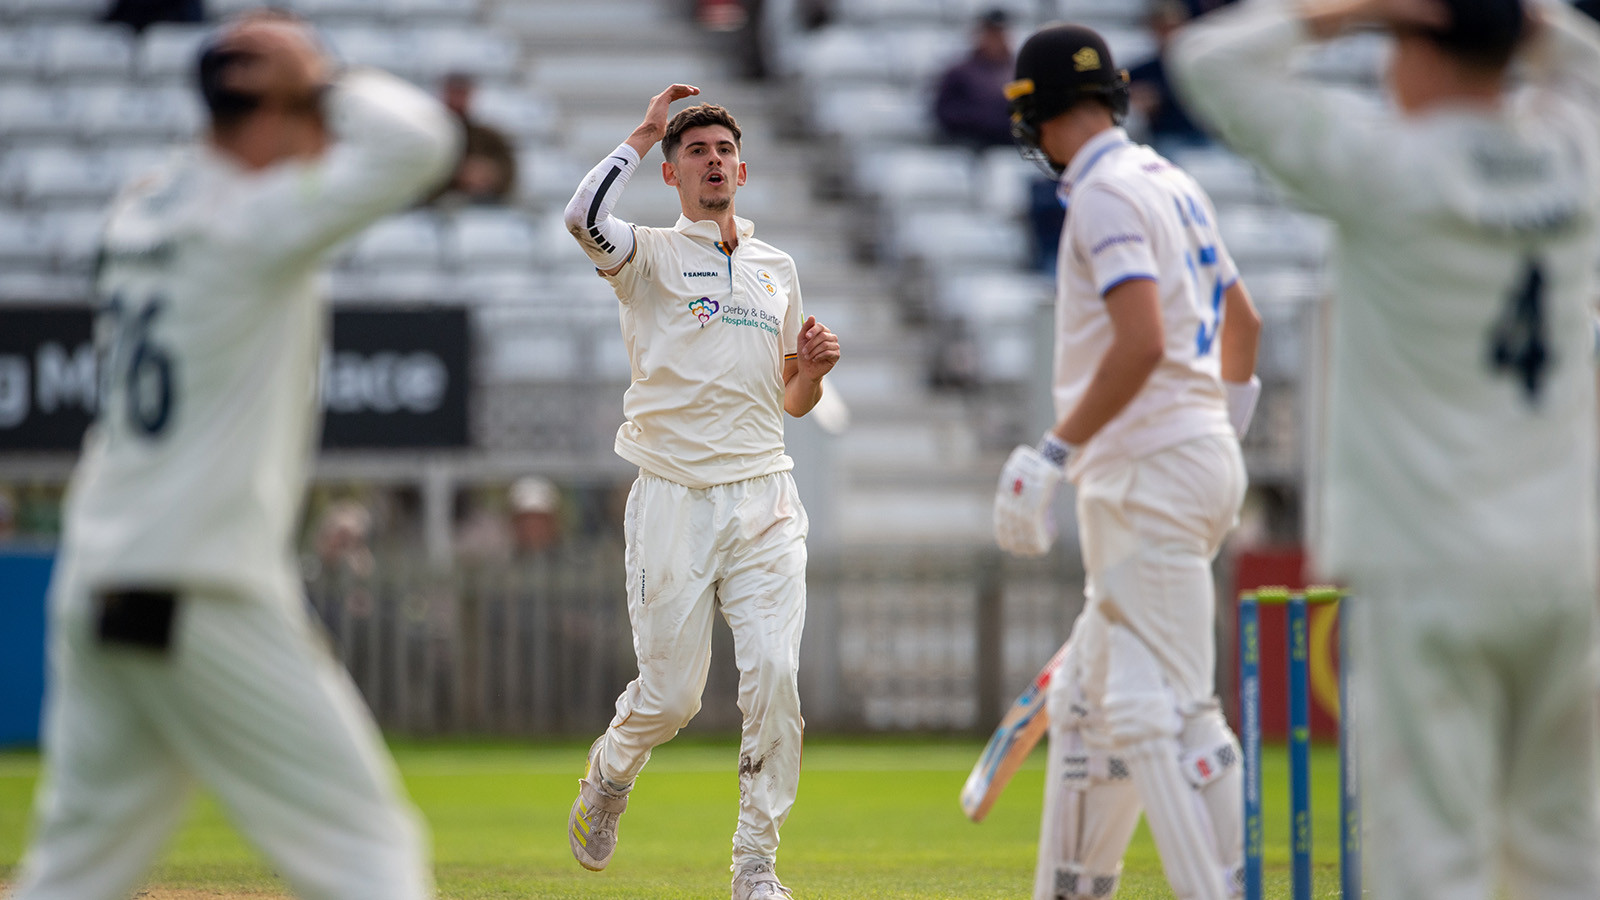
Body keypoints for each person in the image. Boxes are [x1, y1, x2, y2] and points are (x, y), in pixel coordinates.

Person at [5, 12, 458, 900]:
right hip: (198, 582)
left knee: (74, 874)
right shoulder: (249, 223)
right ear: (279, 106)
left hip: (98, 575)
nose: (324, 141)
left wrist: (277, 78)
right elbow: (420, 141)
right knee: (367, 851)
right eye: (310, 116)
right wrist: (316, 72)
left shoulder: (141, 208)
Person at [1170, 1, 1600, 897]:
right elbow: (1586, 65)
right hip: (1566, 562)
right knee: (1565, 859)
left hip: (1430, 565)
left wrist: (1360, 9)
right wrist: (1519, 19)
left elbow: (1209, 64)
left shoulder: (1390, 168)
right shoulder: (1574, 156)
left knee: (1430, 865)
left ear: (1416, 43)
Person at [991, 22, 1263, 900]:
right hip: (1191, 455)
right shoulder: (1171, 180)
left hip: (1142, 471)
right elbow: (1243, 323)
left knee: (1172, 713)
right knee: (1086, 708)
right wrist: (1215, 435)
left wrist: (1052, 451)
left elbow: (1141, 339)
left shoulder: (1104, 193)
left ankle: (1224, 888)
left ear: (1035, 115)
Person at [561, 84, 840, 900]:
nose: (712, 161)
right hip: (674, 495)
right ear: (673, 176)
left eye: (723, 151)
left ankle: (755, 869)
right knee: (673, 697)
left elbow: (791, 398)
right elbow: (581, 217)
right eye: (696, 152)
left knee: (776, 679)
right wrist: (644, 132)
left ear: (742, 172)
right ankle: (610, 777)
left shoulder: (774, 267)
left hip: (766, 496)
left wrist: (814, 373)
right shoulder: (644, 253)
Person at [1127, 1, 1209, 156]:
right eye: (1163, 28)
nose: (1171, 34)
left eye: (1175, 27)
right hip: (1167, 142)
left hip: (1205, 139)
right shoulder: (1141, 72)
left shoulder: (1200, 67)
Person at [427, 72, 517, 206]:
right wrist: (454, 173)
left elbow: (508, 174)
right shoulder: (429, 136)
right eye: (453, 93)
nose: (457, 100)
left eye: (461, 94)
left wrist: (488, 174)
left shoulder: (488, 138)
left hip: (481, 210)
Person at [933, 8, 1016, 148]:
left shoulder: (1018, 71)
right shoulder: (959, 72)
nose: (995, 39)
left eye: (999, 33)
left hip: (1010, 145)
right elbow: (944, 112)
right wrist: (984, 119)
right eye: (991, 33)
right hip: (969, 145)